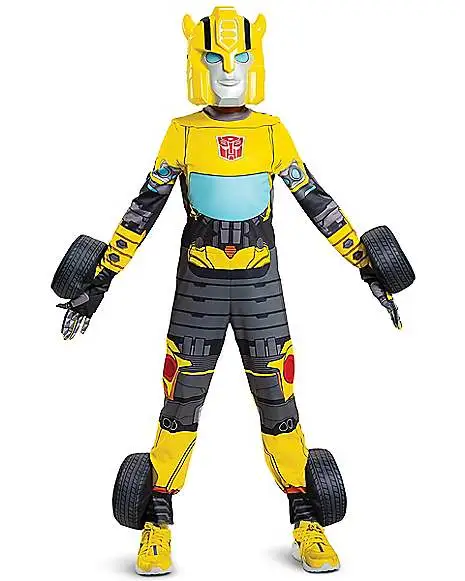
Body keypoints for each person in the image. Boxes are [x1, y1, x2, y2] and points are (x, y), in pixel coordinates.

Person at [58, 6, 401, 574]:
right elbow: (143, 210)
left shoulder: (272, 132)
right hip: (198, 290)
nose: (227, 71)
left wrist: (367, 264)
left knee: (279, 402)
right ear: (197, 62)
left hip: (261, 289)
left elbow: (316, 201)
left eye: (238, 58)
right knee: (180, 403)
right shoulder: (181, 132)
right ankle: (157, 522)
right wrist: (100, 281)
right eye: (216, 59)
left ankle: (306, 519)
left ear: (254, 60)